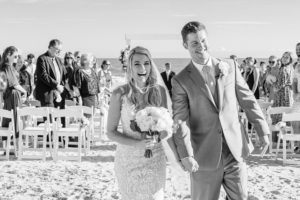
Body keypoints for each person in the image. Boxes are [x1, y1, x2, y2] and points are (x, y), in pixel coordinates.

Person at [171, 21, 270, 200]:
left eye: (203, 40)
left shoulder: (230, 66)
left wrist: (262, 129)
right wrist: (185, 155)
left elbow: (248, 100)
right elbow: (180, 120)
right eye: (194, 43)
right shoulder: (180, 80)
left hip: (235, 152)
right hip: (203, 157)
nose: (201, 46)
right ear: (185, 45)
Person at [107, 46, 170, 200]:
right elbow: (111, 132)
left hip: (155, 159)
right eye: (137, 64)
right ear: (129, 66)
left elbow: (167, 128)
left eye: (146, 63)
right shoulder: (119, 94)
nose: (142, 68)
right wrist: (138, 144)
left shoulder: (160, 91)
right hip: (128, 161)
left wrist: (155, 138)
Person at [0, 46, 27, 143]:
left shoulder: (8, 67)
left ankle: (8, 144)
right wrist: (24, 91)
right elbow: (14, 84)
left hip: (9, 96)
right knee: (15, 119)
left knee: (10, 118)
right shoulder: (7, 67)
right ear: (8, 55)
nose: (17, 58)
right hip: (13, 96)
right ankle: (15, 145)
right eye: (15, 56)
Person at [35, 39, 67, 109]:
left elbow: (63, 75)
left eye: (60, 50)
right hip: (48, 95)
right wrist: (57, 85)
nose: (59, 52)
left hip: (59, 93)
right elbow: (43, 75)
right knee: (49, 118)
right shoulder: (42, 59)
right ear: (50, 47)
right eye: (57, 49)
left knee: (61, 116)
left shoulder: (59, 60)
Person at [271, 52, 294, 125]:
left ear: (290, 59)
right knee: (286, 117)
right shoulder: (291, 68)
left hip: (282, 95)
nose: (284, 58)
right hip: (288, 94)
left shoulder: (284, 69)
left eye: (287, 57)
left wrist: (272, 82)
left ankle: (277, 136)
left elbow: (279, 85)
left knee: (278, 119)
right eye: (283, 56)